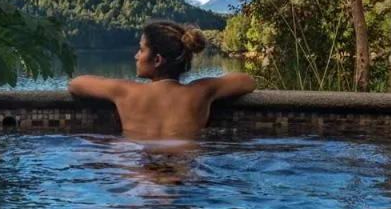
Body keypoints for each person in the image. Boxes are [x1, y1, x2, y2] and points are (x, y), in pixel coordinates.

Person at [68, 21, 256, 140]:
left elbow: (76, 84)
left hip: (138, 170)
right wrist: (210, 84)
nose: (136, 56)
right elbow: (247, 81)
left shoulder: (125, 91)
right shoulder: (201, 92)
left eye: (141, 50)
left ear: (157, 60)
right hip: (185, 174)